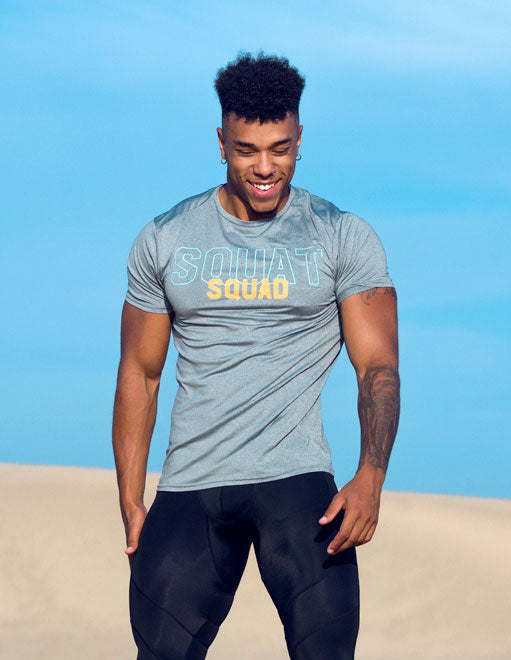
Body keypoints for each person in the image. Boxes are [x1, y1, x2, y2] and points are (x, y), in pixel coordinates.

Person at [112, 51, 400, 660]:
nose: (265, 168)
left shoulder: (341, 236)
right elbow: (140, 372)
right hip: (192, 486)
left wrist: (371, 476)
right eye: (247, 151)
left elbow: (377, 368)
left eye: (280, 149)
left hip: (297, 485)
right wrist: (131, 500)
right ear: (222, 143)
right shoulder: (166, 238)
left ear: (300, 140)